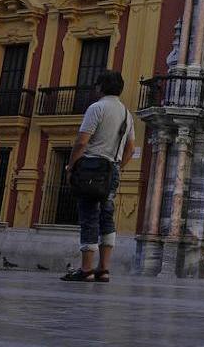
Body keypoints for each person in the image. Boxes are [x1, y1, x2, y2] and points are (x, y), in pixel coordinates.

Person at [61, 71, 134, 283]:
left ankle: (86, 270)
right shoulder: (126, 114)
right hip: (112, 170)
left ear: (100, 87)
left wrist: (71, 166)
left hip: (91, 168)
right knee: (106, 217)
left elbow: (82, 141)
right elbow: (130, 147)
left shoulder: (97, 108)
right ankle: (104, 269)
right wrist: (118, 166)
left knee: (89, 217)